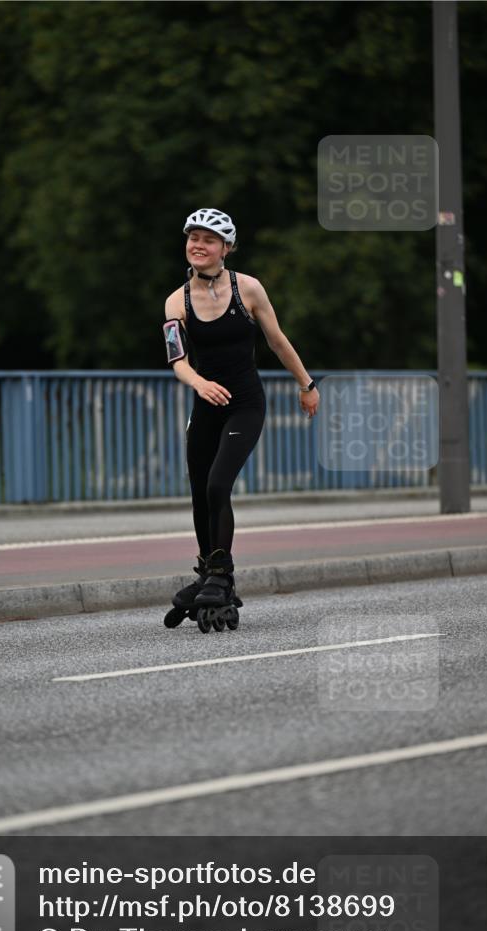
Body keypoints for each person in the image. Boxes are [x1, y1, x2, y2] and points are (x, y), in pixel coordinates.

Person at [162, 208, 319, 631]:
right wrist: (199, 383)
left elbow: (277, 340)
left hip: (245, 404)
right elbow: (177, 360)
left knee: (218, 484)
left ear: (226, 248)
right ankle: (206, 572)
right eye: (192, 237)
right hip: (206, 405)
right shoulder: (176, 300)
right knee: (199, 493)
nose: (199, 245)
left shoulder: (247, 289)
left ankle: (222, 572)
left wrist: (306, 385)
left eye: (208, 239)